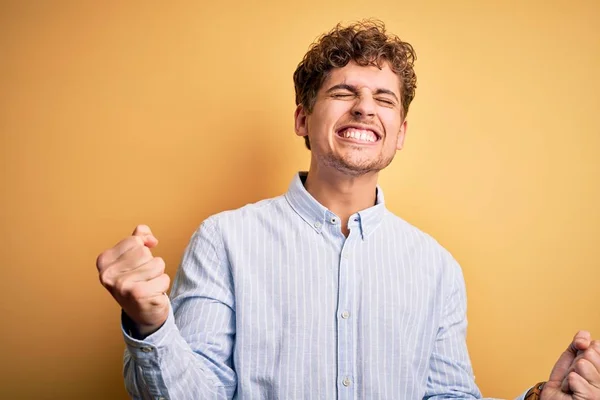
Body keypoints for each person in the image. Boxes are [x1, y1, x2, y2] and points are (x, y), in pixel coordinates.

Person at [96, 20, 600, 400]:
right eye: (343, 93)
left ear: (399, 133)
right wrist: (151, 325)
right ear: (302, 119)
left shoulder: (438, 267)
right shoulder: (224, 240)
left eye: (384, 99)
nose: (364, 108)